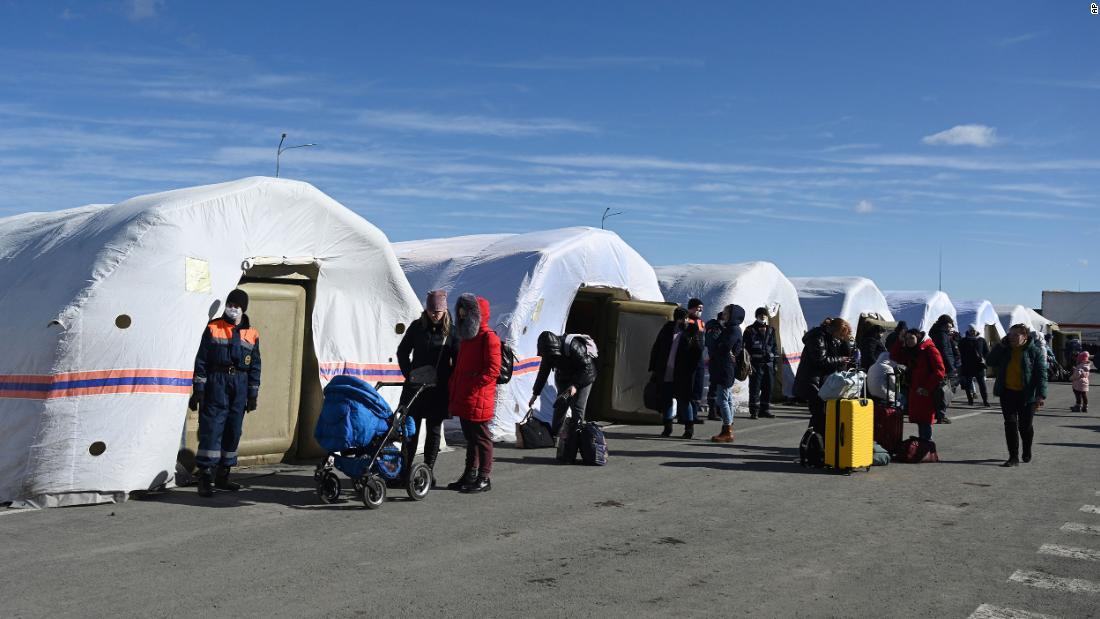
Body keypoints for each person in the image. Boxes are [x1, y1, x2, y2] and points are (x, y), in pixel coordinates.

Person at [188, 289, 262, 498]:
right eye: (230, 304)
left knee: (233, 429)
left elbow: (255, 365)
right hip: (217, 382)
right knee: (212, 428)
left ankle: (224, 474)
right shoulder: (213, 328)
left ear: (243, 309)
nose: (232, 308)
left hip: (240, 383)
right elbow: (201, 361)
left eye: (236, 305)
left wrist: (252, 394)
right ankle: (205, 476)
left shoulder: (252, 333)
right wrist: (199, 390)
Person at [396, 290, 458, 477]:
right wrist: (410, 375)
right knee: (410, 430)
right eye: (431, 310)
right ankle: (404, 471)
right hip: (415, 388)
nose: (434, 314)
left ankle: (427, 472)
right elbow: (402, 352)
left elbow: (458, 360)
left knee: (433, 431)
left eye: (438, 311)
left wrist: (449, 379)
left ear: (445, 310)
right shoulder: (416, 327)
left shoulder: (452, 332)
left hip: (438, 389)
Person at [447, 293, 501, 493]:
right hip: (466, 396)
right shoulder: (467, 338)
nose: (461, 314)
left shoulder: (489, 338)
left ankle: (484, 477)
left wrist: (473, 385)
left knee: (482, 438)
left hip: (478, 396)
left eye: (465, 310)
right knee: (470, 438)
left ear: (476, 314)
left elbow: (493, 370)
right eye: (460, 310)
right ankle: (470, 474)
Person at [986, 324, 1047, 467]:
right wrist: (1000, 345)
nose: (1011, 338)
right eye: (1010, 334)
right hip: (1007, 393)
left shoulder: (1034, 352)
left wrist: (1041, 395)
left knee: (1025, 427)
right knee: (1010, 424)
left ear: (1025, 336)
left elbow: (1042, 375)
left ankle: (1027, 449)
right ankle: (1013, 457)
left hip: (1027, 395)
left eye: (1015, 335)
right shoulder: (1005, 349)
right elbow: (990, 361)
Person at [648, 307, 704, 439]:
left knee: (684, 400)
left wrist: (691, 370)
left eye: (685, 318)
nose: (683, 321)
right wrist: (654, 367)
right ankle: (667, 427)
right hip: (666, 370)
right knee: (666, 399)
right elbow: (657, 347)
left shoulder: (692, 330)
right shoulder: (667, 328)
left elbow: (697, 351)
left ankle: (689, 428)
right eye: (681, 318)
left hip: (683, 373)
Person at [528, 331, 598, 436]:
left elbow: (587, 367)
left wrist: (575, 385)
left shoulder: (573, 346)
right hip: (565, 377)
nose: (551, 359)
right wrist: (535, 394)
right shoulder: (548, 353)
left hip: (584, 376)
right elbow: (543, 374)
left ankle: (576, 436)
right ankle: (555, 435)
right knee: (560, 405)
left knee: (578, 407)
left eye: (553, 356)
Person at [794, 317, 855, 436]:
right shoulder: (818, 337)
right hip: (812, 381)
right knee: (819, 414)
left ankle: (817, 443)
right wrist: (841, 359)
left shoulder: (831, 338)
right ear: (835, 331)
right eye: (841, 335)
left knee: (822, 415)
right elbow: (820, 360)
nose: (840, 338)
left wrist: (846, 342)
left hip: (823, 381)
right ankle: (813, 444)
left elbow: (845, 355)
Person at [890, 329, 946, 443]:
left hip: (926, 392)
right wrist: (900, 341)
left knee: (925, 420)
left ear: (918, 337)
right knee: (921, 420)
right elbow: (895, 356)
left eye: (911, 338)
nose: (909, 341)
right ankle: (924, 446)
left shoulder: (929, 349)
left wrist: (927, 388)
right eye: (907, 339)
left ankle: (927, 447)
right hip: (916, 390)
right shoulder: (912, 351)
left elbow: (940, 371)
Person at [707, 304, 744, 442]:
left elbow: (724, 347)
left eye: (727, 313)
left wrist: (717, 345)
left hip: (725, 368)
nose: (724, 315)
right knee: (727, 398)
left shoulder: (733, 330)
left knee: (722, 399)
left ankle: (727, 429)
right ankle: (729, 424)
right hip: (725, 367)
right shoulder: (731, 329)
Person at [743, 306, 777, 419]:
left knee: (768, 387)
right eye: (760, 315)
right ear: (756, 316)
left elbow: (774, 347)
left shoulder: (771, 330)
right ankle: (754, 411)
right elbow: (745, 349)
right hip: (755, 363)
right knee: (755, 387)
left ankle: (765, 409)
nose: (763, 316)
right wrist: (748, 364)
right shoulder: (749, 330)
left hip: (768, 364)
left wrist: (775, 363)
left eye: (764, 315)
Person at [928, 315, 958, 424]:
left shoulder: (937, 333)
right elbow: (945, 352)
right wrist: (951, 366)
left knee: (939, 390)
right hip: (944, 366)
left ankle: (938, 413)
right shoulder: (942, 335)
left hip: (938, 365)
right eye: (950, 325)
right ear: (945, 324)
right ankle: (941, 414)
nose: (951, 327)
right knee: (946, 390)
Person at [957, 326, 990, 407]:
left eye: (974, 330)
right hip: (967, 365)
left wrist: (986, 360)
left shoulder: (981, 340)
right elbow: (959, 351)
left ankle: (985, 401)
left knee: (982, 384)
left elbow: (986, 352)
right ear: (968, 331)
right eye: (971, 330)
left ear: (976, 331)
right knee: (968, 384)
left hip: (979, 366)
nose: (973, 332)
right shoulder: (963, 340)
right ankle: (970, 400)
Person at [686, 298, 707, 425]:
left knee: (698, 386)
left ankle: (694, 414)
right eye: (698, 308)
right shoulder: (687, 321)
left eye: (701, 309)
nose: (700, 311)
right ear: (691, 308)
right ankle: (687, 415)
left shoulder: (701, 322)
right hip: (689, 358)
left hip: (699, 358)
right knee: (690, 386)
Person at [704, 312, 724, 421]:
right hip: (715, 361)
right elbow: (711, 344)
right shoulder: (715, 329)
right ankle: (712, 411)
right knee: (714, 387)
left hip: (719, 361)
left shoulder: (720, 328)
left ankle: (718, 410)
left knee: (719, 386)